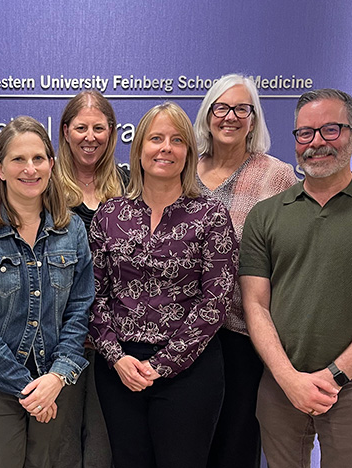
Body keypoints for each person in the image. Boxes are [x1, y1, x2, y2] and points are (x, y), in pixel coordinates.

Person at [240, 89, 352, 468]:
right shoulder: (266, 215)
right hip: (280, 383)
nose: (316, 142)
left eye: (330, 130)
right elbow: (255, 303)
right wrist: (288, 378)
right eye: (305, 133)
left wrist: (335, 376)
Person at [89, 102, 238, 468]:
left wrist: (162, 365)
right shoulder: (110, 215)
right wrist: (116, 358)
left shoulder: (212, 215)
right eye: (155, 139)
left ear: (189, 152)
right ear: (139, 150)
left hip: (190, 372)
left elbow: (215, 301)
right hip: (119, 371)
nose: (165, 148)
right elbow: (92, 295)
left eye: (176, 140)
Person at [0, 116, 94, 468]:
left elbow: (80, 311)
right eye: (18, 160)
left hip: (55, 382)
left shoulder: (72, 229)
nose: (30, 169)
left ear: (51, 164)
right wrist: (27, 388)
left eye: (38, 159)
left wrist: (56, 377)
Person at [192, 73, 297, 467]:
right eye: (221, 108)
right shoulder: (185, 172)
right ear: (208, 116)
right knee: (188, 441)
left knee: (236, 442)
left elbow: (290, 253)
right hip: (186, 334)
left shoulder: (278, 175)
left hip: (243, 332)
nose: (230, 117)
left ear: (253, 120)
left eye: (241, 109)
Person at [51, 90, 127, 468]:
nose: (90, 136)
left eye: (99, 128)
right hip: (62, 336)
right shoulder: (46, 188)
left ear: (112, 133)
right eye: (81, 127)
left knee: (103, 443)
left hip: (115, 340)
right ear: (65, 131)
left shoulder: (131, 186)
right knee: (60, 441)